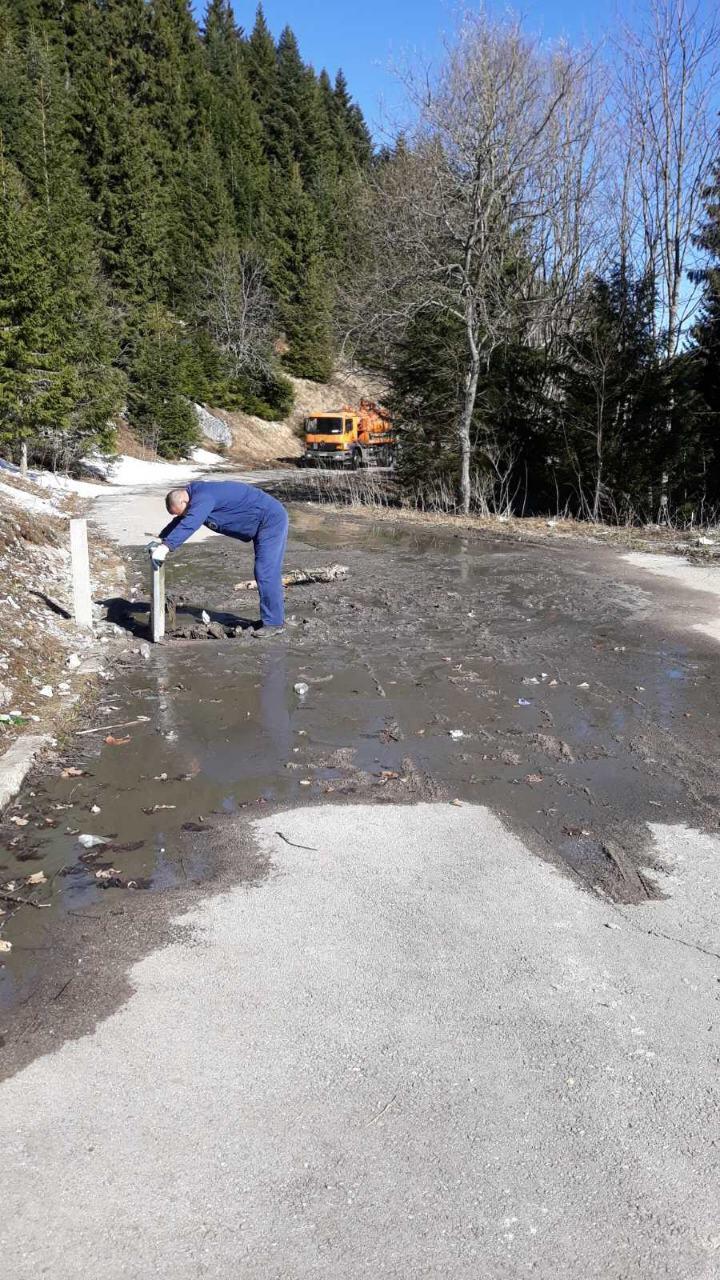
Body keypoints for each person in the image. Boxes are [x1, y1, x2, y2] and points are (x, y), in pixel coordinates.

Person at [148, 480, 289, 638]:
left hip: (270, 520)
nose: (183, 515)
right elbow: (182, 520)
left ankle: (274, 623)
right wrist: (162, 539)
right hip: (259, 523)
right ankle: (269, 619)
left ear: (183, 501)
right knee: (264, 571)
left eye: (182, 512)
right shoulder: (194, 497)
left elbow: (190, 522)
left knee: (266, 571)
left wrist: (167, 547)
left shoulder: (203, 497)